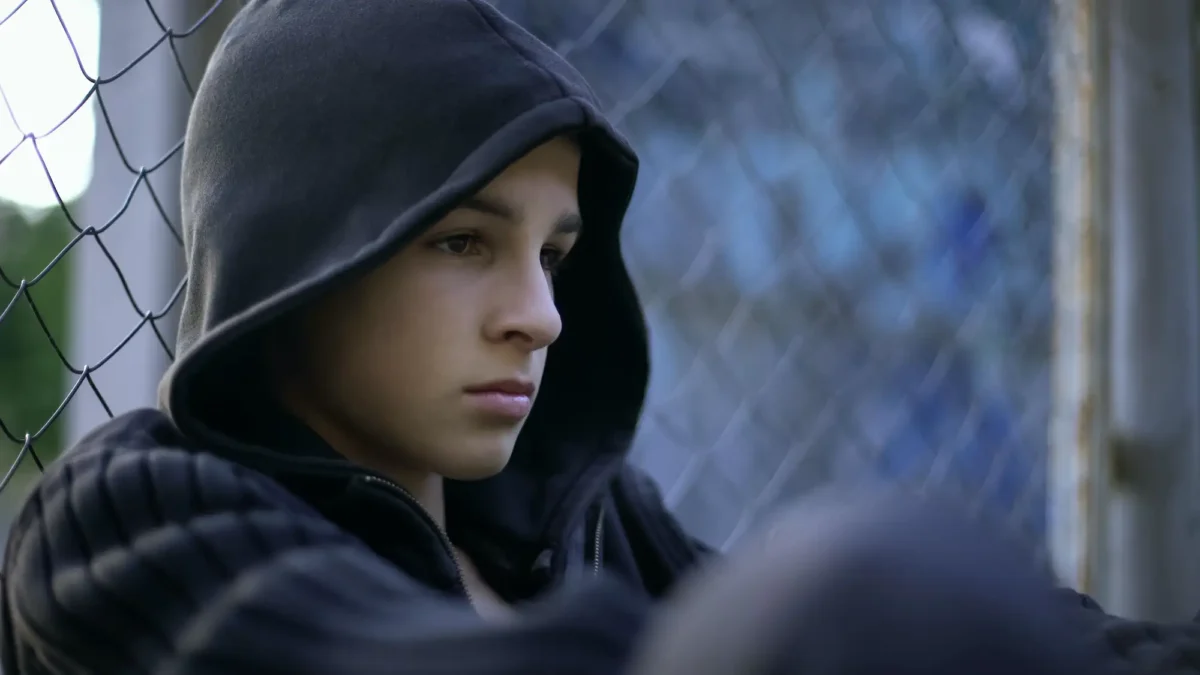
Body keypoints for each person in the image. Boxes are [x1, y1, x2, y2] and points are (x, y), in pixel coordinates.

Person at [0, 1, 1196, 674]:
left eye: (557, 255)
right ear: (302, 251)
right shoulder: (129, 517)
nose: (541, 314)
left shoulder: (576, 519)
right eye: (463, 241)